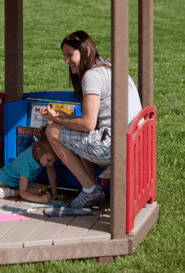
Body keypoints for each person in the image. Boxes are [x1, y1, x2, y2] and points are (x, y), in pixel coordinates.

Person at [43, 30, 142, 208]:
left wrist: (57, 121)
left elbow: (88, 125)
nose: (66, 61)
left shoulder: (91, 76)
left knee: (52, 131)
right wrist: (63, 117)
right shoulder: (108, 67)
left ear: (86, 52)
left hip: (113, 146)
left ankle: (90, 190)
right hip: (133, 141)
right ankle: (90, 189)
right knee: (73, 132)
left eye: (69, 55)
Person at [0, 134, 63, 204]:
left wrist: (54, 194)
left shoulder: (40, 152)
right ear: (39, 151)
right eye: (49, 160)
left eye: (53, 162)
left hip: (18, 185)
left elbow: (50, 170)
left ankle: (3, 192)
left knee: (43, 189)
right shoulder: (26, 162)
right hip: (3, 180)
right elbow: (24, 193)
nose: (51, 164)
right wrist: (40, 200)